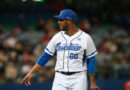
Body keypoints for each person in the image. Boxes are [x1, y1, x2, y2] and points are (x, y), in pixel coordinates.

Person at [21, 9, 99, 90]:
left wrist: (93, 83)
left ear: (69, 21)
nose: (58, 22)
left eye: (61, 20)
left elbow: (91, 60)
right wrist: (31, 73)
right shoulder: (57, 37)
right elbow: (46, 56)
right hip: (60, 77)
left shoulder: (85, 38)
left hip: (78, 78)